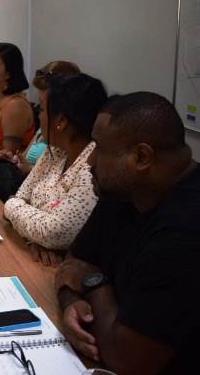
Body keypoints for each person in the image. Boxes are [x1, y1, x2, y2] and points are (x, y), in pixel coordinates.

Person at [55, 92, 199, 375]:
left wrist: (92, 281)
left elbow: (128, 359)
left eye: (98, 148)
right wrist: (70, 300)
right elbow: (72, 263)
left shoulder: (186, 232)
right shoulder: (124, 191)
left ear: (141, 157)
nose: (89, 161)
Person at [3, 73, 107, 266]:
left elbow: (56, 232)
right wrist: (33, 239)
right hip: (32, 257)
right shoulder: (55, 151)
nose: (38, 116)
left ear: (61, 122)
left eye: (41, 109)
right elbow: (20, 197)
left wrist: (11, 208)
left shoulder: (92, 163)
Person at [0, 60, 81, 200]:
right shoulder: (45, 129)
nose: (38, 114)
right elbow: (24, 158)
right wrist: (15, 160)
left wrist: (29, 171)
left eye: (42, 107)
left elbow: (55, 190)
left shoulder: (65, 143)